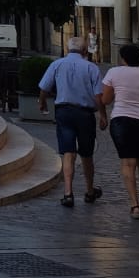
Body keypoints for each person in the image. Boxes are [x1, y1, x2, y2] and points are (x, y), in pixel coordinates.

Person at [36, 36, 104, 207]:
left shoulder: (57, 64)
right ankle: (89, 190)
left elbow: (44, 88)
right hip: (85, 114)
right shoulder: (91, 67)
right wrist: (103, 115)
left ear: (67, 50)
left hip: (64, 111)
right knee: (87, 153)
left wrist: (42, 102)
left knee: (68, 152)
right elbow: (98, 96)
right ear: (84, 51)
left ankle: (68, 192)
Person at [98, 44, 139, 220]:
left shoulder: (114, 72)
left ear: (123, 58)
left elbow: (106, 99)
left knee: (128, 162)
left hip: (122, 120)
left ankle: (134, 206)